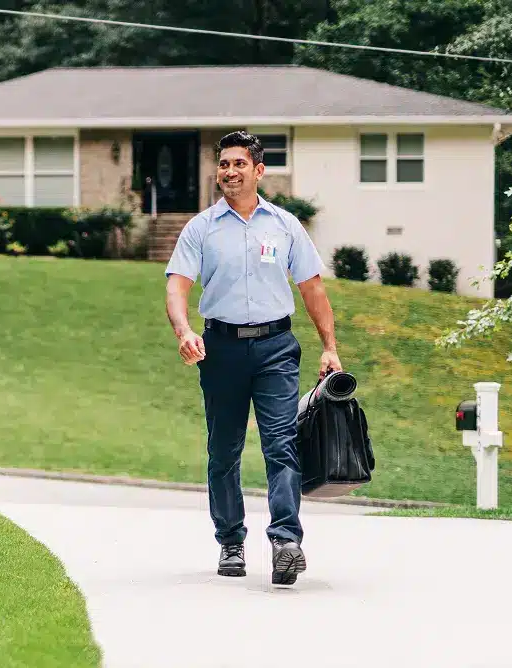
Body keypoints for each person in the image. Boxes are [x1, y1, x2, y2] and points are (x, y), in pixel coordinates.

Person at [163, 131, 342, 585]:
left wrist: (329, 346)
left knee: (281, 443)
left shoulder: (285, 225)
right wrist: (184, 330)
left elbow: (312, 289)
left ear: (259, 171)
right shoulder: (200, 228)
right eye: (224, 164)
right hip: (220, 350)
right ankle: (231, 541)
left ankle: (286, 542)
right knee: (223, 450)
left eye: (239, 163)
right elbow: (177, 285)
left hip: (275, 349)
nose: (229, 171)